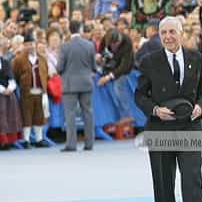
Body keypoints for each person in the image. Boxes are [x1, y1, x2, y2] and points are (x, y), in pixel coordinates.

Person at [135, 16, 202, 202]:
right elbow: (140, 96)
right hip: (160, 129)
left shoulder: (197, 59)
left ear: (181, 33)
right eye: (163, 33)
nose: (168, 37)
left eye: (172, 32)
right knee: (163, 184)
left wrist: (201, 106)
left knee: (193, 181)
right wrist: (155, 110)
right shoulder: (149, 61)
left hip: (190, 128)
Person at [57, 21, 97, 152]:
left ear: (69, 30)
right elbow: (94, 67)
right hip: (86, 82)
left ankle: (71, 144)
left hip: (69, 84)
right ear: (80, 29)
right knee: (88, 113)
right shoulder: (89, 45)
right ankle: (89, 143)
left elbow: (60, 67)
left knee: (70, 114)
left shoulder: (65, 47)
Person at [12, 31, 50, 148]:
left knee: (39, 116)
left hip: (40, 91)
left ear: (35, 44)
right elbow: (16, 75)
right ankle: (26, 139)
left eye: (32, 44)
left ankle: (39, 139)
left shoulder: (42, 58)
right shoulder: (19, 60)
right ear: (24, 46)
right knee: (26, 116)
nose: (30, 46)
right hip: (26, 93)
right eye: (27, 44)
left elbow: (46, 73)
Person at [97, 28, 134, 126]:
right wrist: (99, 55)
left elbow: (124, 66)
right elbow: (101, 48)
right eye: (112, 44)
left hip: (125, 65)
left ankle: (127, 116)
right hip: (112, 63)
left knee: (118, 87)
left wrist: (108, 77)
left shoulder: (127, 41)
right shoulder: (107, 37)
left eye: (116, 43)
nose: (114, 46)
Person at [0, 37, 22, 150]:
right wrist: (1, 89)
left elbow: (11, 78)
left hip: (7, 94)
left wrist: (10, 88)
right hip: (1, 92)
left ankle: (7, 141)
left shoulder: (5, 62)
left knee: (9, 115)